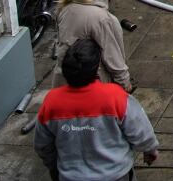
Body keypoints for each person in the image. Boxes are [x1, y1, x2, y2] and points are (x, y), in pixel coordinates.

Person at [35, 38, 158, 181]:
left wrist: (54, 168)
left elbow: (43, 145)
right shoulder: (115, 97)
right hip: (116, 175)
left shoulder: (52, 102)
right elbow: (141, 131)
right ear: (96, 67)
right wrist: (150, 150)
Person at [55, 0, 132, 92]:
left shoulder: (64, 9)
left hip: (66, 78)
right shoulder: (100, 18)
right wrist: (124, 81)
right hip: (93, 80)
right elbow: (111, 53)